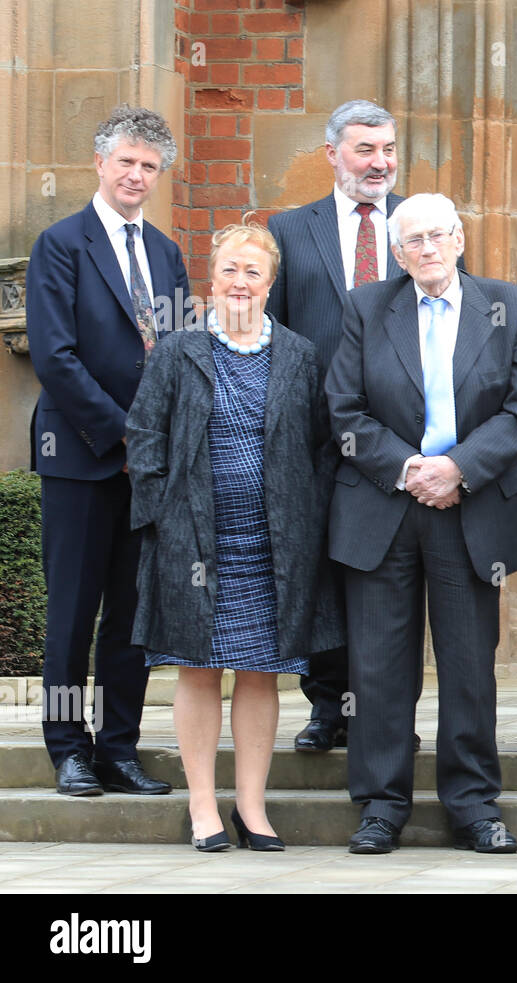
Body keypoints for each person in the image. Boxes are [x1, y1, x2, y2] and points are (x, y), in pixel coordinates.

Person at [327, 193, 517, 855]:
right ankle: (381, 806)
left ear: (459, 239)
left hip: (470, 507)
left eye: (437, 235)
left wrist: (458, 469)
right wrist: (412, 467)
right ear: (396, 253)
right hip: (383, 507)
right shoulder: (366, 306)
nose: (426, 248)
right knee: (379, 669)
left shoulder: (511, 307)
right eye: (412, 239)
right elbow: (343, 408)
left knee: (470, 665)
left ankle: (474, 805)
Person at [127, 222, 341, 851]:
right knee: (197, 668)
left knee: (260, 671)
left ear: (270, 284)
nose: (240, 282)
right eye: (229, 270)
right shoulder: (177, 352)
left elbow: (324, 447)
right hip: (194, 538)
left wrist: (308, 517)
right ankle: (202, 808)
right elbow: (144, 440)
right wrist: (165, 517)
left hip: (274, 541)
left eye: (253, 272)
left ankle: (252, 807)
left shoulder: (299, 355)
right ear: (211, 280)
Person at [26, 105, 187, 797]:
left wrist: (165, 439)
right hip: (82, 455)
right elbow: (55, 356)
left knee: (131, 614)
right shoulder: (60, 245)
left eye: (149, 166)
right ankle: (68, 747)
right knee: (71, 612)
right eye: (126, 161)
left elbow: (178, 354)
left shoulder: (166, 253)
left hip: (147, 467)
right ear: (100, 163)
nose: (136, 175)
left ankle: (119, 748)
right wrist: (125, 432)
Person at [266, 99, 407, 754]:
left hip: (400, 439)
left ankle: (381, 710)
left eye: (387, 149)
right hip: (313, 436)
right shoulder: (291, 230)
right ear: (332, 154)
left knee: (386, 575)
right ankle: (328, 706)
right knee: (320, 570)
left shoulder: (422, 225)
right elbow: (268, 334)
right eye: (364, 149)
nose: (379, 162)